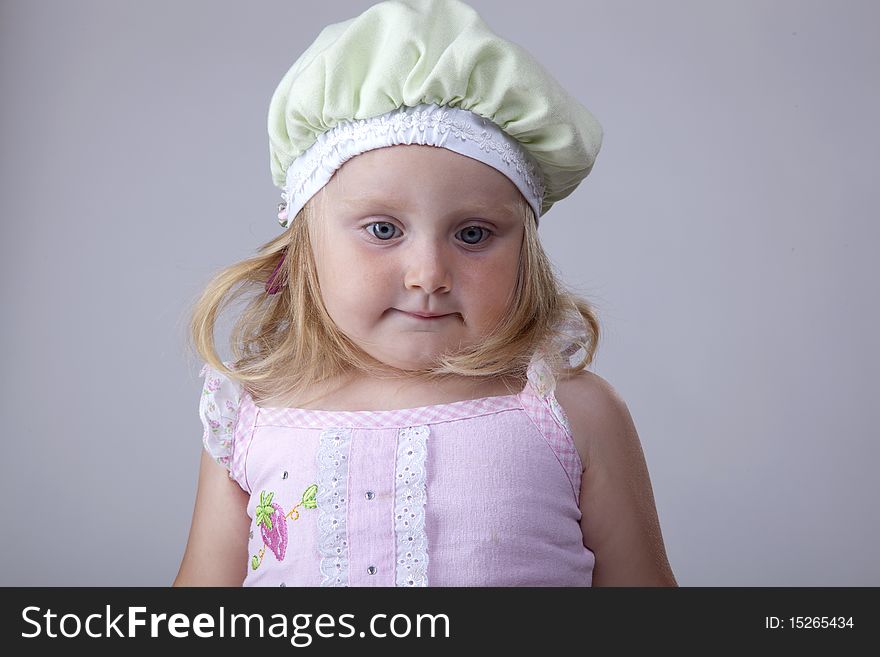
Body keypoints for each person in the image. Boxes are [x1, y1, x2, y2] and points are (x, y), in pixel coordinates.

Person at [174, 0, 676, 587]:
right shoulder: (252, 414)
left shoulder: (570, 412)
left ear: (524, 252)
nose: (428, 273)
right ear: (305, 243)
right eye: (383, 230)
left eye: (472, 234)